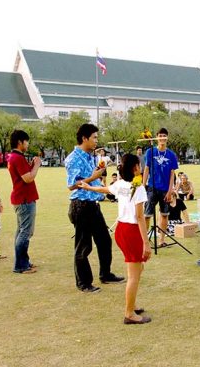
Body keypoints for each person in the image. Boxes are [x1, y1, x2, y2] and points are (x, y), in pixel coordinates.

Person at [78, 154, 152, 324]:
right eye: (139, 165)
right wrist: (146, 244)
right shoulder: (138, 187)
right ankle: (129, 314)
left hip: (121, 230)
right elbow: (140, 217)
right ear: (135, 168)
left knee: (138, 269)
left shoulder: (122, 184)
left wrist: (88, 187)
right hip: (131, 231)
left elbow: (105, 190)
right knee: (134, 274)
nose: (140, 168)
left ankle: (131, 304)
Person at [65, 123, 124, 293]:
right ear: (84, 138)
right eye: (94, 137)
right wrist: (93, 177)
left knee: (104, 241)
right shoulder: (73, 158)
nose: (97, 141)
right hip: (81, 206)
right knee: (84, 246)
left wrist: (98, 172)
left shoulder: (90, 156)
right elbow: (72, 185)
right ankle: (83, 283)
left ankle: (105, 274)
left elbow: (92, 177)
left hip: (93, 205)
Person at [6, 130, 40, 274]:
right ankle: (21, 265)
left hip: (21, 198)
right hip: (24, 199)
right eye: (26, 141)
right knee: (25, 232)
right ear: (20, 142)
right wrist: (37, 165)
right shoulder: (17, 158)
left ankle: (23, 261)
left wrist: (32, 165)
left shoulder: (14, 157)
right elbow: (28, 178)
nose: (28, 144)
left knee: (21, 231)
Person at [142, 128, 179, 248]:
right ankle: (145, 240)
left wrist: (170, 191)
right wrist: (143, 186)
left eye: (164, 136)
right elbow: (146, 169)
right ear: (156, 137)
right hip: (152, 188)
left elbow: (172, 173)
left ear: (167, 138)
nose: (162, 138)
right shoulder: (150, 152)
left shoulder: (171, 155)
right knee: (147, 215)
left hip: (165, 190)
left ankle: (162, 239)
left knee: (164, 214)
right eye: (160, 135)